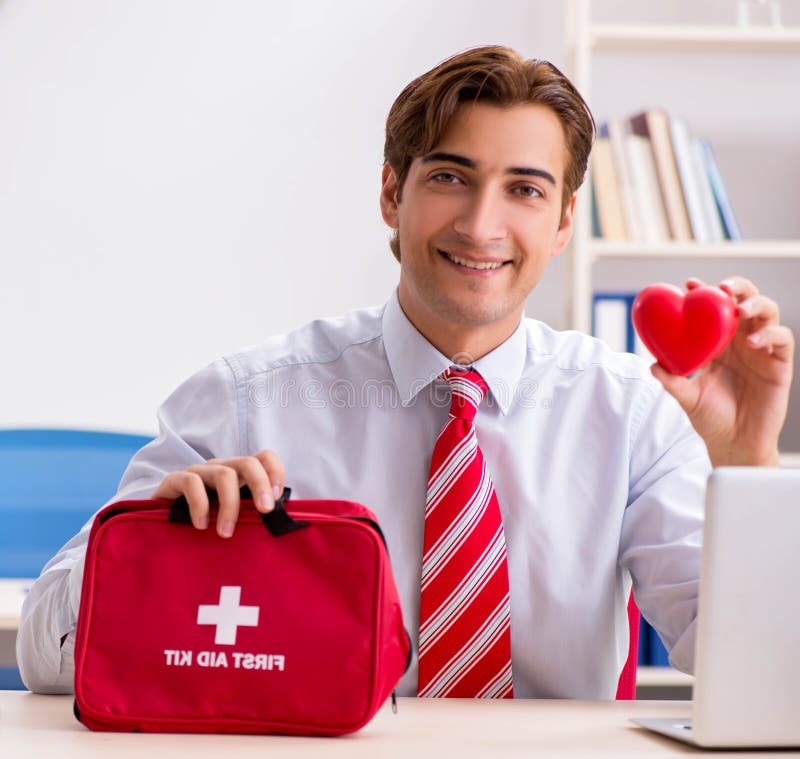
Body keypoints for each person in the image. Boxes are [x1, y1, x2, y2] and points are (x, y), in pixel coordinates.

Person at [17, 45, 794, 698]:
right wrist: (151, 550)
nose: (481, 224)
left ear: (563, 223)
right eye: (450, 177)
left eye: (524, 189)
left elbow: (764, 673)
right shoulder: (249, 399)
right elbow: (42, 656)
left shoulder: (629, 413)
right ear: (393, 193)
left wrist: (746, 469)